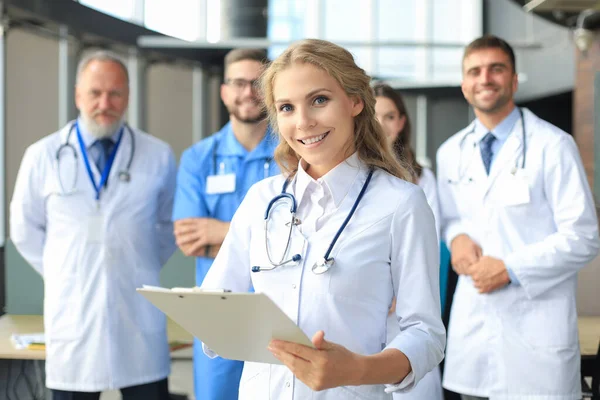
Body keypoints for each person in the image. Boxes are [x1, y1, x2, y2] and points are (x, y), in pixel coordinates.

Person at [199, 38, 445, 399]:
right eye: (286, 107)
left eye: (319, 100)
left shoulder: (401, 204)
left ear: (356, 101)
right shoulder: (262, 200)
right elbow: (216, 300)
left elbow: (426, 334)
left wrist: (359, 369)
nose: (303, 122)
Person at [437, 34, 599, 400]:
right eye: (474, 71)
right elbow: (451, 218)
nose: (485, 79)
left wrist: (510, 268)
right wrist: (457, 237)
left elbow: (584, 237)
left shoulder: (554, 145)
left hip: (537, 329)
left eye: (497, 69)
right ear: (464, 85)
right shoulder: (451, 152)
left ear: (513, 79)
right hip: (474, 330)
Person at [10, 50, 177, 400]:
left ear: (128, 97)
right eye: (95, 92)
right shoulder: (43, 155)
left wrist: (135, 263)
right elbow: (24, 228)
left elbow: (168, 227)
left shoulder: (158, 154)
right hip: (73, 315)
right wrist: (64, 270)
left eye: (115, 93)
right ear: (77, 96)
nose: (105, 102)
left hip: (137, 318)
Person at [172, 48, 279, 400]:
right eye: (238, 83)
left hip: (279, 313)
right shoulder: (199, 158)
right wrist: (269, 238)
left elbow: (304, 236)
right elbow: (190, 241)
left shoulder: (293, 153)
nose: (247, 92)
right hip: (216, 314)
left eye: (256, 83)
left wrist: (220, 232)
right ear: (224, 91)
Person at [374, 83, 445, 400]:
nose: (382, 125)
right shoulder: (353, 175)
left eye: (389, 116)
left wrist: (395, 288)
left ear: (402, 122)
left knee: (414, 382)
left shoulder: (423, 179)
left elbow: (428, 245)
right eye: (375, 117)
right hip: (366, 308)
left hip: (405, 308)